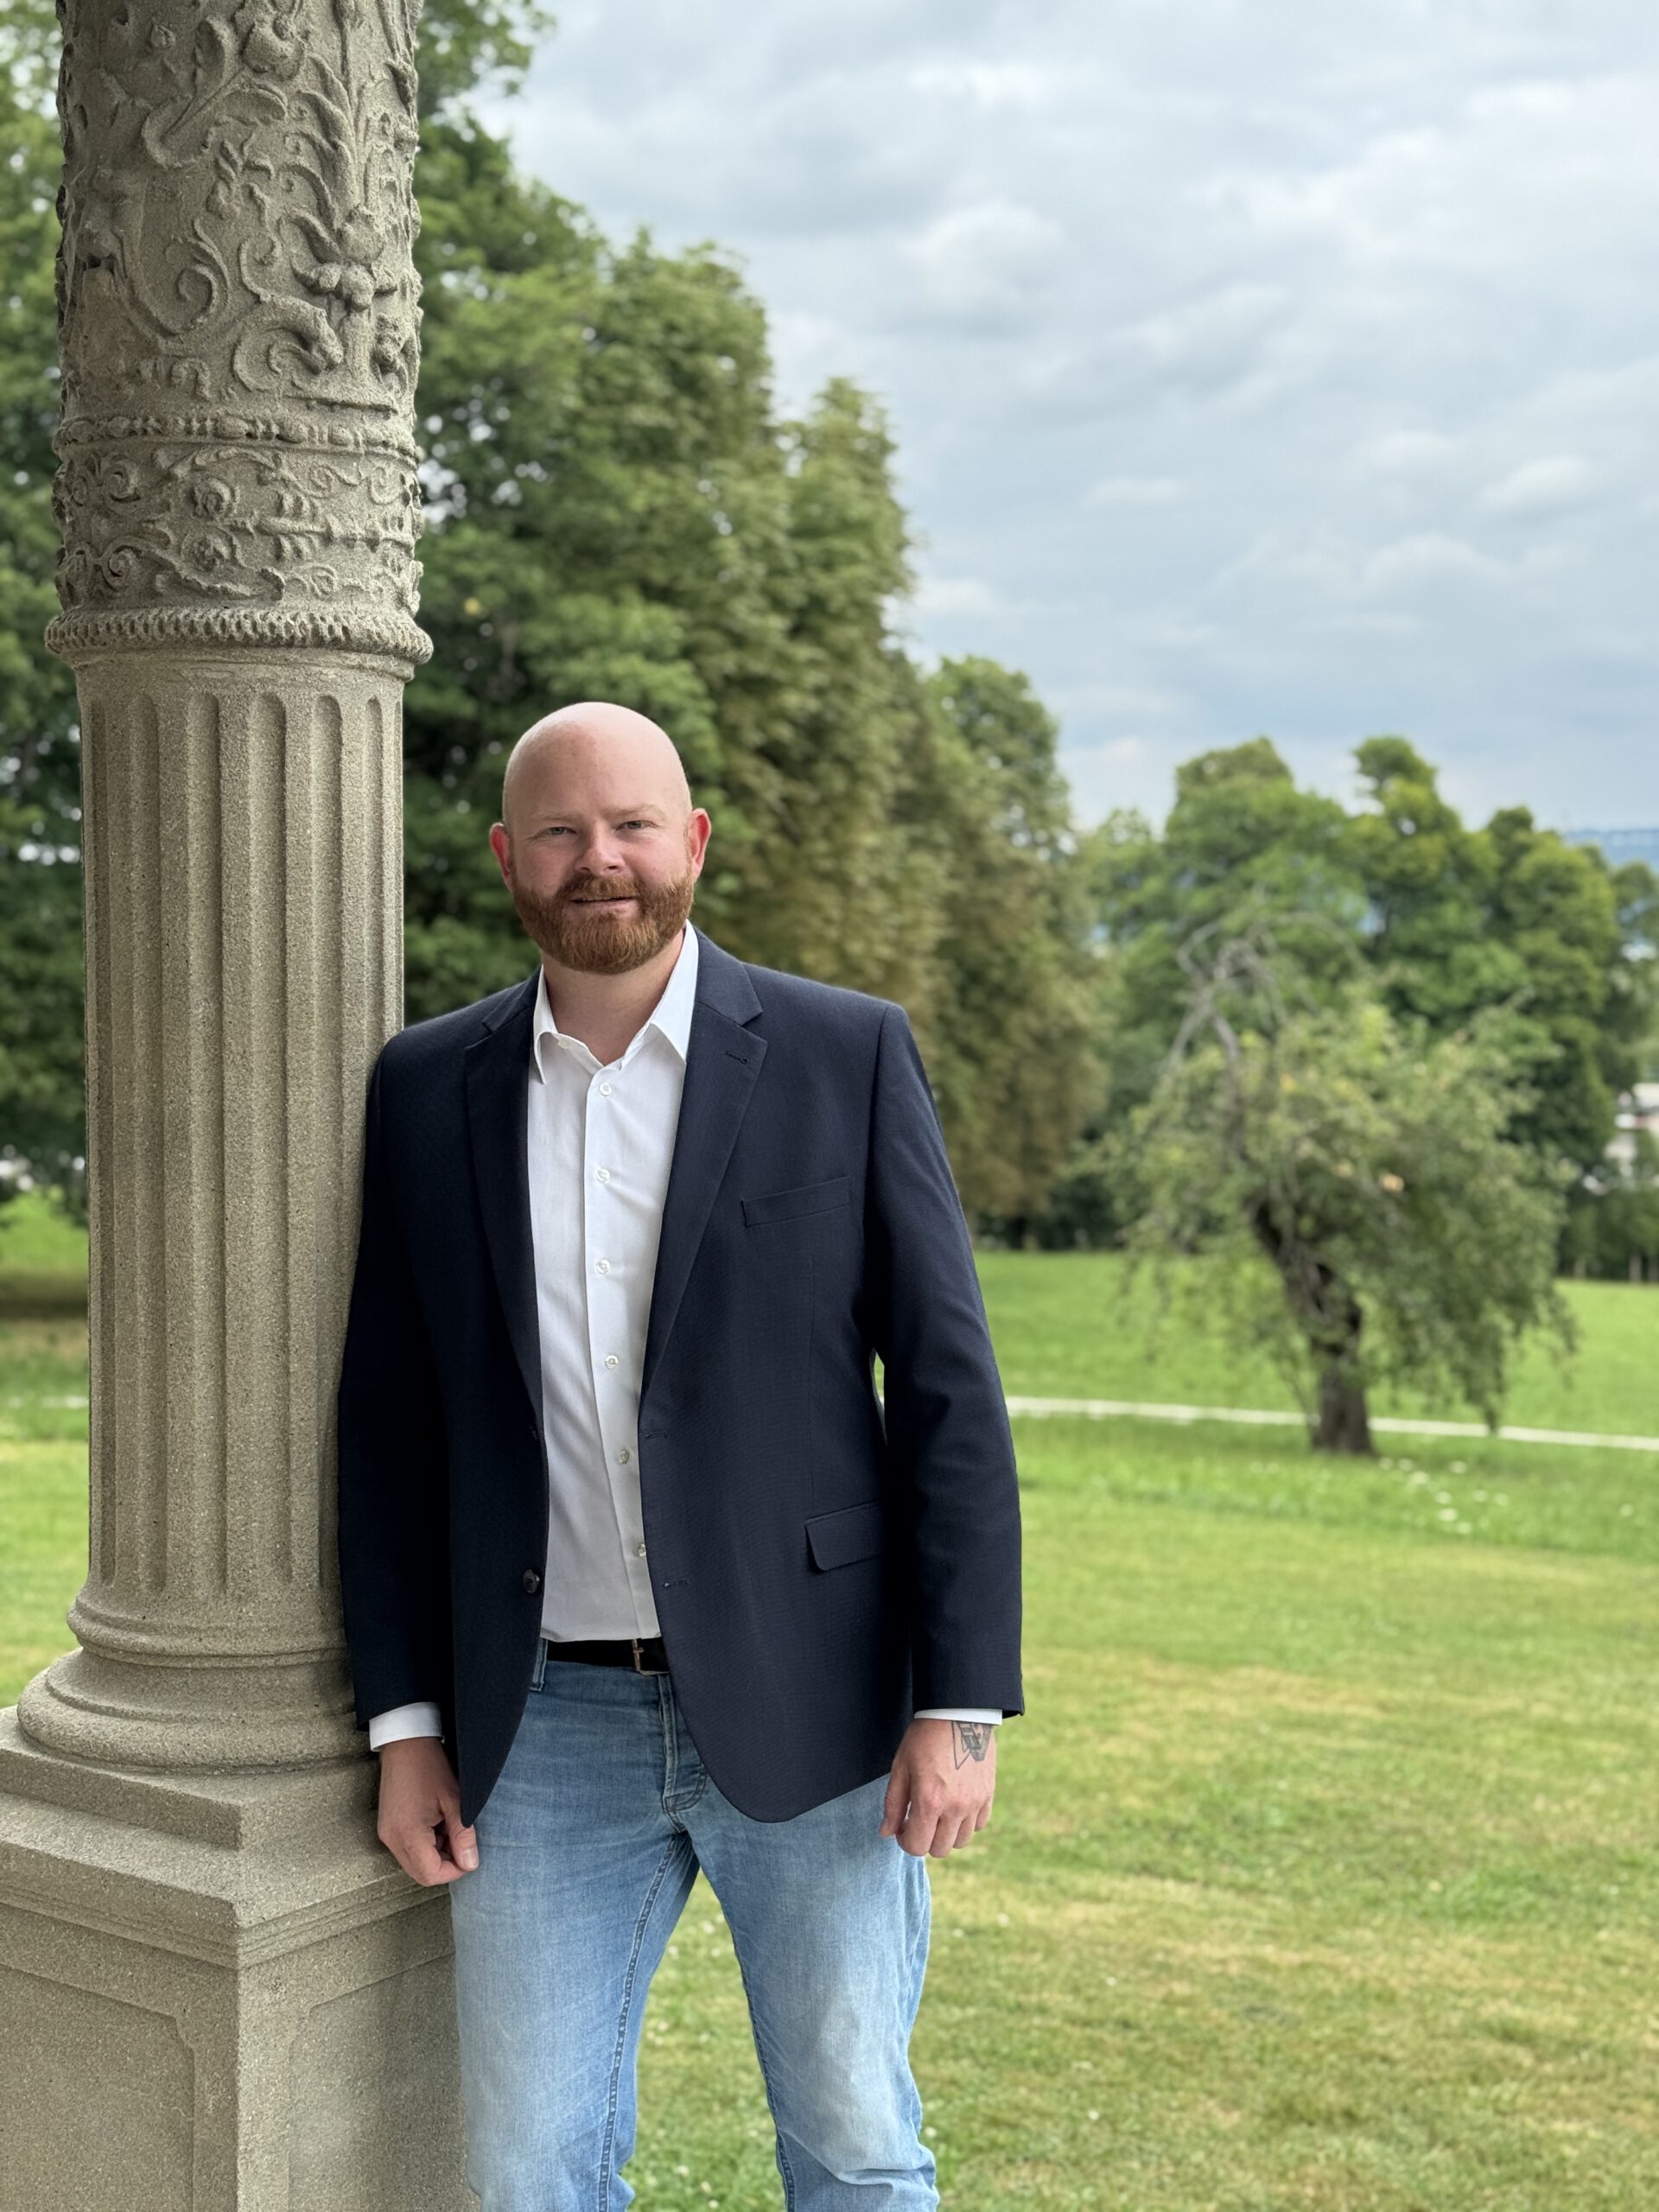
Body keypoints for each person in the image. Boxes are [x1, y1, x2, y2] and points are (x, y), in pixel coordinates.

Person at [336, 700, 1023, 2211]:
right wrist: (405, 1723)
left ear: (693, 841)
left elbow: (951, 1394)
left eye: (634, 824)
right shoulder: (425, 1088)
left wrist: (959, 1704)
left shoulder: (845, 1053)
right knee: (528, 2171)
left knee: (855, 2145)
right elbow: (385, 1426)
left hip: (820, 1704)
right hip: (539, 1729)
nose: (603, 859)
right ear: (509, 857)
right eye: (563, 832)